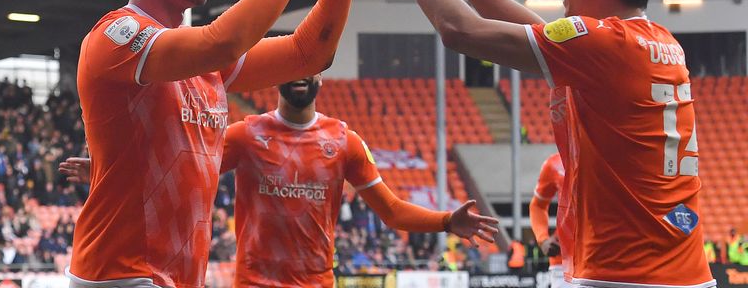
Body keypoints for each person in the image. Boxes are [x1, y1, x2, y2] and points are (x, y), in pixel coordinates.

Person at [388, 0, 714, 288]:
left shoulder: (603, 43)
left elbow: (459, 31)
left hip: (627, 276)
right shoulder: (656, 41)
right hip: (681, 273)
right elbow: (534, 32)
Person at [68, 0, 358, 288]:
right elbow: (222, 43)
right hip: (120, 275)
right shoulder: (116, 36)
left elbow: (310, 54)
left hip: (176, 278)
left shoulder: (201, 60)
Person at [61, 74, 499, 287]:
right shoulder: (246, 135)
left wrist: (446, 222)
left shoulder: (345, 141)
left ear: (320, 76)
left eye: (309, 67)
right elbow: (181, 171)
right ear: (278, 77)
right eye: (292, 67)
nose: (301, 76)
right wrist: (109, 171)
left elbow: (391, 210)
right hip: (254, 284)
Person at [529, 153, 571, 288]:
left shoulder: (612, 157)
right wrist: (543, 239)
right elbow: (537, 206)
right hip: (564, 263)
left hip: (609, 258)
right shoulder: (554, 164)